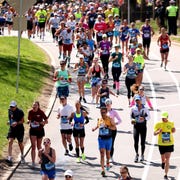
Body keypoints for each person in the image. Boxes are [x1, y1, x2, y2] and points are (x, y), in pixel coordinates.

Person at [92, 107, 116, 177]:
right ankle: (103, 169)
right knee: (102, 154)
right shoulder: (99, 119)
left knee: (108, 155)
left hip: (108, 139)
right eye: (101, 112)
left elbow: (114, 128)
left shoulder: (110, 119)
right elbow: (98, 125)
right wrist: (94, 128)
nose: (102, 114)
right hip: (101, 139)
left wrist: (107, 126)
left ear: (106, 112)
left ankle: (107, 162)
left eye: (104, 112)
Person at [154, 111, 175, 180]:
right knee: (163, 159)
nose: (163, 119)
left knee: (167, 159)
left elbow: (173, 131)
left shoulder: (171, 123)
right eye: (162, 118)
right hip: (161, 144)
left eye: (164, 118)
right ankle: (163, 162)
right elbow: (154, 133)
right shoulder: (158, 124)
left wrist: (173, 130)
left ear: (167, 117)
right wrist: (158, 132)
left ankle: (166, 174)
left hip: (169, 143)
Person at [130, 95, 150, 163]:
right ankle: (136, 154)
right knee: (136, 142)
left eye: (138, 100)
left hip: (143, 127)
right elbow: (131, 116)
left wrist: (144, 118)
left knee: (142, 142)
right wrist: (132, 120)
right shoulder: (133, 108)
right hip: (136, 126)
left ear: (141, 100)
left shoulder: (145, 108)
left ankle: (142, 155)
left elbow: (149, 117)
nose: (137, 102)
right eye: (136, 100)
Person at [28, 101, 48, 167]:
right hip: (33, 130)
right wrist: (29, 122)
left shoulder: (41, 112)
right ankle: (33, 162)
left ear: (38, 106)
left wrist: (39, 123)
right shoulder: (30, 112)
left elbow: (46, 121)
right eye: (33, 106)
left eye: (35, 106)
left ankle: (41, 159)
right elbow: (29, 120)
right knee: (33, 146)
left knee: (39, 146)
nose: (34, 107)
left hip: (40, 130)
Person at [6, 101, 25, 165]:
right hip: (12, 129)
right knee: (10, 141)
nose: (11, 108)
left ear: (16, 106)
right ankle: (9, 158)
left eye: (13, 107)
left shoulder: (20, 112)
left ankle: (22, 155)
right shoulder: (9, 111)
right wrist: (9, 122)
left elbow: (23, 121)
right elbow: (11, 118)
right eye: (11, 106)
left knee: (20, 143)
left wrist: (16, 123)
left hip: (19, 130)